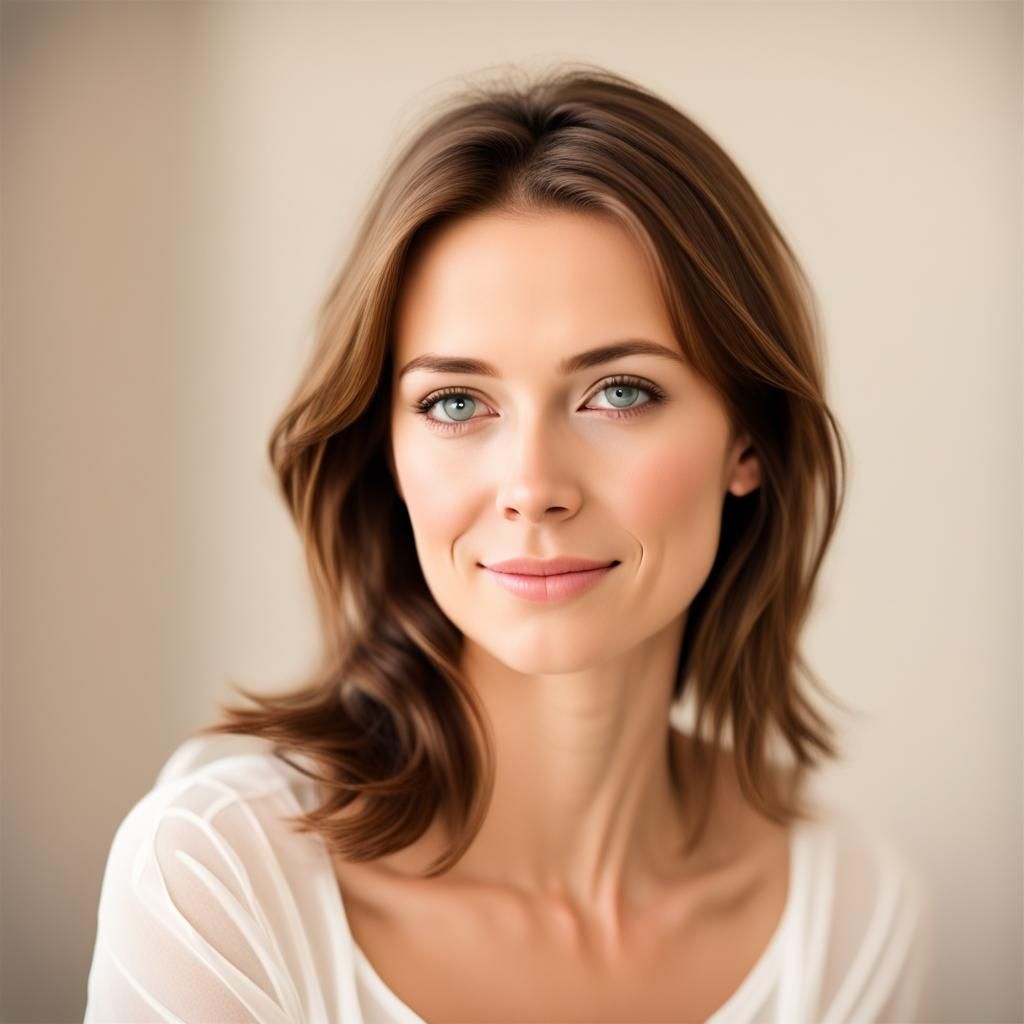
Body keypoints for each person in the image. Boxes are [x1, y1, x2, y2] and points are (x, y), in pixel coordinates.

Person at [84, 63, 936, 1023]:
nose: (533, 487)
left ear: (749, 440)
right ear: (386, 452)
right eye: (456, 403)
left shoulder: (850, 921)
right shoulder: (219, 878)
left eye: (618, 392)